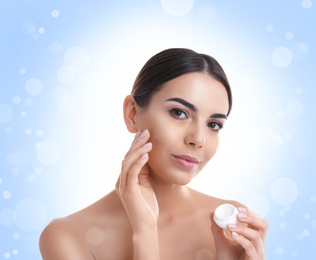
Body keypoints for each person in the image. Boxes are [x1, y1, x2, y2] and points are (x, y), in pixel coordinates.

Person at [39, 48, 268, 260]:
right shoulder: (67, 236)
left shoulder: (232, 226)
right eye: (179, 113)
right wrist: (145, 231)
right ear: (132, 113)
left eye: (214, 124)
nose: (198, 139)